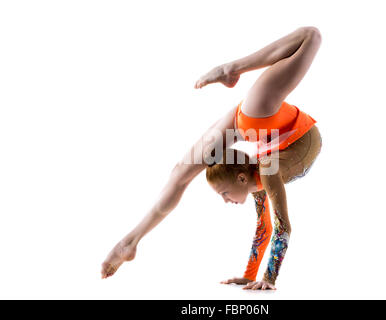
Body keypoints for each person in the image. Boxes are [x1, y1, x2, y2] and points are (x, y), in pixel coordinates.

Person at [101, 25, 322, 290]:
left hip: (284, 131)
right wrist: (251, 275)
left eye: (224, 193)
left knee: (311, 36)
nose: (225, 200)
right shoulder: (258, 176)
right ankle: (130, 241)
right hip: (255, 123)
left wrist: (268, 279)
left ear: (240, 177)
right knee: (180, 173)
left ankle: (233, 68)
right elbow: (265, 229)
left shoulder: (266, 171)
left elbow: (282, 225)